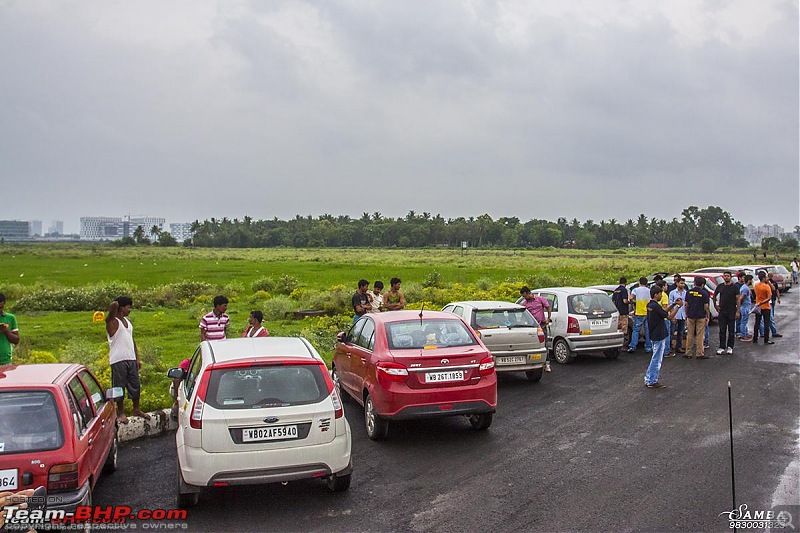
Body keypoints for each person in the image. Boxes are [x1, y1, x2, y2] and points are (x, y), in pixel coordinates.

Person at [106, 296, 150, 424]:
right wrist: (116, 304)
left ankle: (136, 409)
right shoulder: (113, 322)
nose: (130, 309)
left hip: (130, 358)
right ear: (121, 308)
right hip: (118, 359)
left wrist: (137, 358)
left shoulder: (128, 322)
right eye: (128, 307)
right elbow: (112, 309)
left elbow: (132, 341)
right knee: (119, 387)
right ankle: (120, 412)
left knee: (135, 385)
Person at [644, 285, 683, 389]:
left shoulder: (650, 305)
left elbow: (664, 312)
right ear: (656, 294)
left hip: (653, 334)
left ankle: (648, 378)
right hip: (659, 334)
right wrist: (678, 307)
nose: (661, 295)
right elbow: (669, 316)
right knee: (657, 359)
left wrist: (673, 304)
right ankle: (652, 380)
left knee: (654, 357)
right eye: (660, 294)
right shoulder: (655, 306)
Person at [520, 286, 553, 372]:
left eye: (525, 296)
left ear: (529, 293)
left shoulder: (540, 299)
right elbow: (523, 315)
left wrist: (548, 319)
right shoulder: (525, 304)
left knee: (545, 345)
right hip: (532, 328)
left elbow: (548, 307)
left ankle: (547, 363)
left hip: (541, 326)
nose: (525, 298)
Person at [713, 271, 740, 355]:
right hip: (722, 312)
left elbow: (738, 300)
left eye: (728, 276)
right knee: (722, 330)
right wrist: (715, 305)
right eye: (725, 276)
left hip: (731, 311)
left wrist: (738, 311)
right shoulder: (720, 286)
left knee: (731, 330)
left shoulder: (735, 287)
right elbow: (714, 295)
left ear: (730, 277)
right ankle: (721, 347)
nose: (726, 277)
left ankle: (730, 347)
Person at [684, 277, 710, 359]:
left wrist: (686, 314)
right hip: (701, 316)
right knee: (700, 335)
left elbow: (686, 304)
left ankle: (688, 352)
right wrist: (708, 316)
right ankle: (699, 353)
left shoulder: (689, 292)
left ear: (694, 283)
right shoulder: (704, 293)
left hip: (690, 315)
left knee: (690, 334)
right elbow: (706, 306)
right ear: (702, 285)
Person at [627, 277, 652, 353]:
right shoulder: (649, 291)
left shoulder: (636, 290)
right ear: (646, 283)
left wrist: (634, 302)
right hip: (648, 312)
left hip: (639, 312)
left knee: (636, 330)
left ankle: (633, 346)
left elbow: (630, 298)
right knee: (647, 330)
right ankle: (648, 347)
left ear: (639, 282)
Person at [668, 278, 688, 354]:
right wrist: (672, 315)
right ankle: (669, 347)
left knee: (681, 332)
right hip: (675, 314)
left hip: (682, 315)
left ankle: (678, 347)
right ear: (677, 283)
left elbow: (686, 304)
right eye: (681, 283)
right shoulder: (672, 293)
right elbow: (670, 305)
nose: (682, 285)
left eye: (683, 283)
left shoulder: (685, 293)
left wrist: (686, 314)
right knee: (671, 332)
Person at [0, 293, 20, 366]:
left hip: (5, 361)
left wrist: (6, 330)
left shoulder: (10, 318)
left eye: (1, 307)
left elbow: (16, 340)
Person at [611, 277, 630, 346]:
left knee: (618, 327)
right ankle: (623, 343)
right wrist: (630, 302)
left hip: (617, 312)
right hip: (623, 311)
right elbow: (624, 301)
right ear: (625, 283)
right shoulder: (624, 290)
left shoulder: (616, 290)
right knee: (624, 328)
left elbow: (613, 301)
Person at [737, 274, 753, 341]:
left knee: (744, 321)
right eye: (752, 280)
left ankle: (745, 333)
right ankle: (743, 335)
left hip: (745, 306)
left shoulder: (745, 287)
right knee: (743, 322)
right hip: (745, 307)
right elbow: (741, 298)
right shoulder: (745, 288)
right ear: (749, 280)